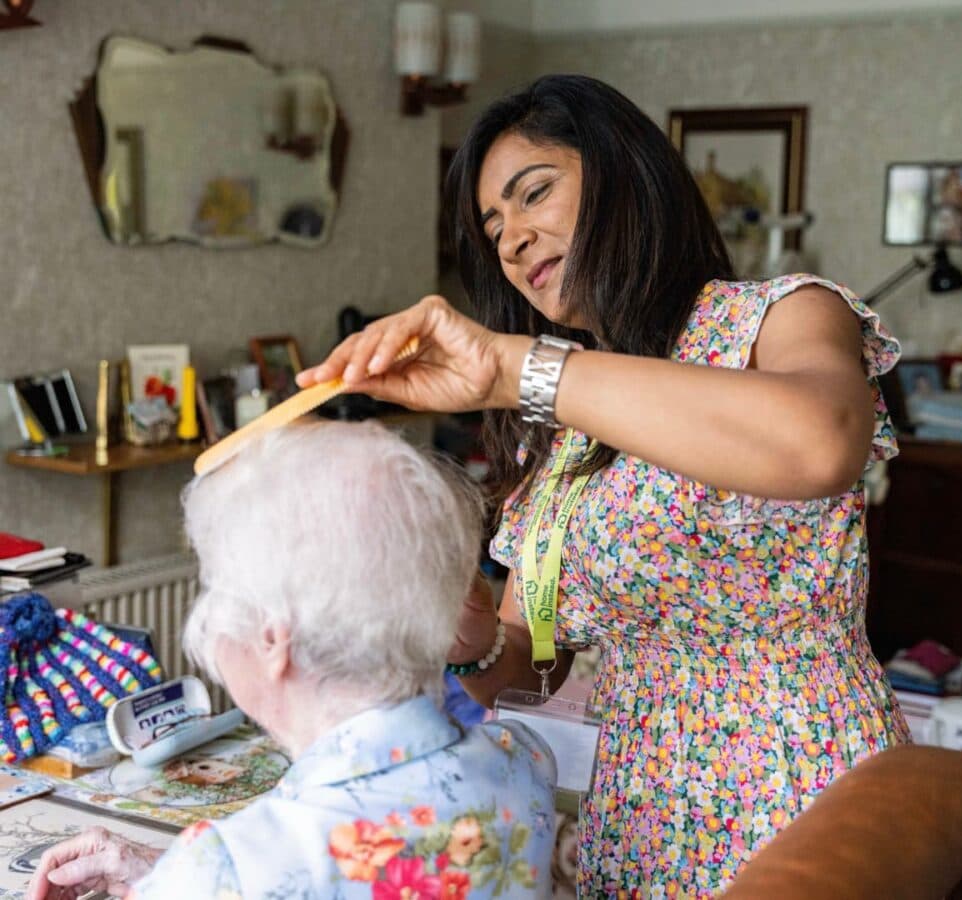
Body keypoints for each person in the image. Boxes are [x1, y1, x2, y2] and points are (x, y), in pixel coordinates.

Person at [296, 74, 910, 897]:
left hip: (803, 788)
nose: (511, 240)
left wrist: (517, 369)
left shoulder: (777, 316)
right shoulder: (565, 425)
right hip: (641, 813)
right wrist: (466, 637)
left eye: (533, 194)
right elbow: (536, 654)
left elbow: (822, 441)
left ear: (624, 174)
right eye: (494, 228)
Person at [28, 420, 557, 899]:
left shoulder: (223, 872)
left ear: (272, 639)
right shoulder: (523, 764)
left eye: (217, 584)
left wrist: (191, 879)